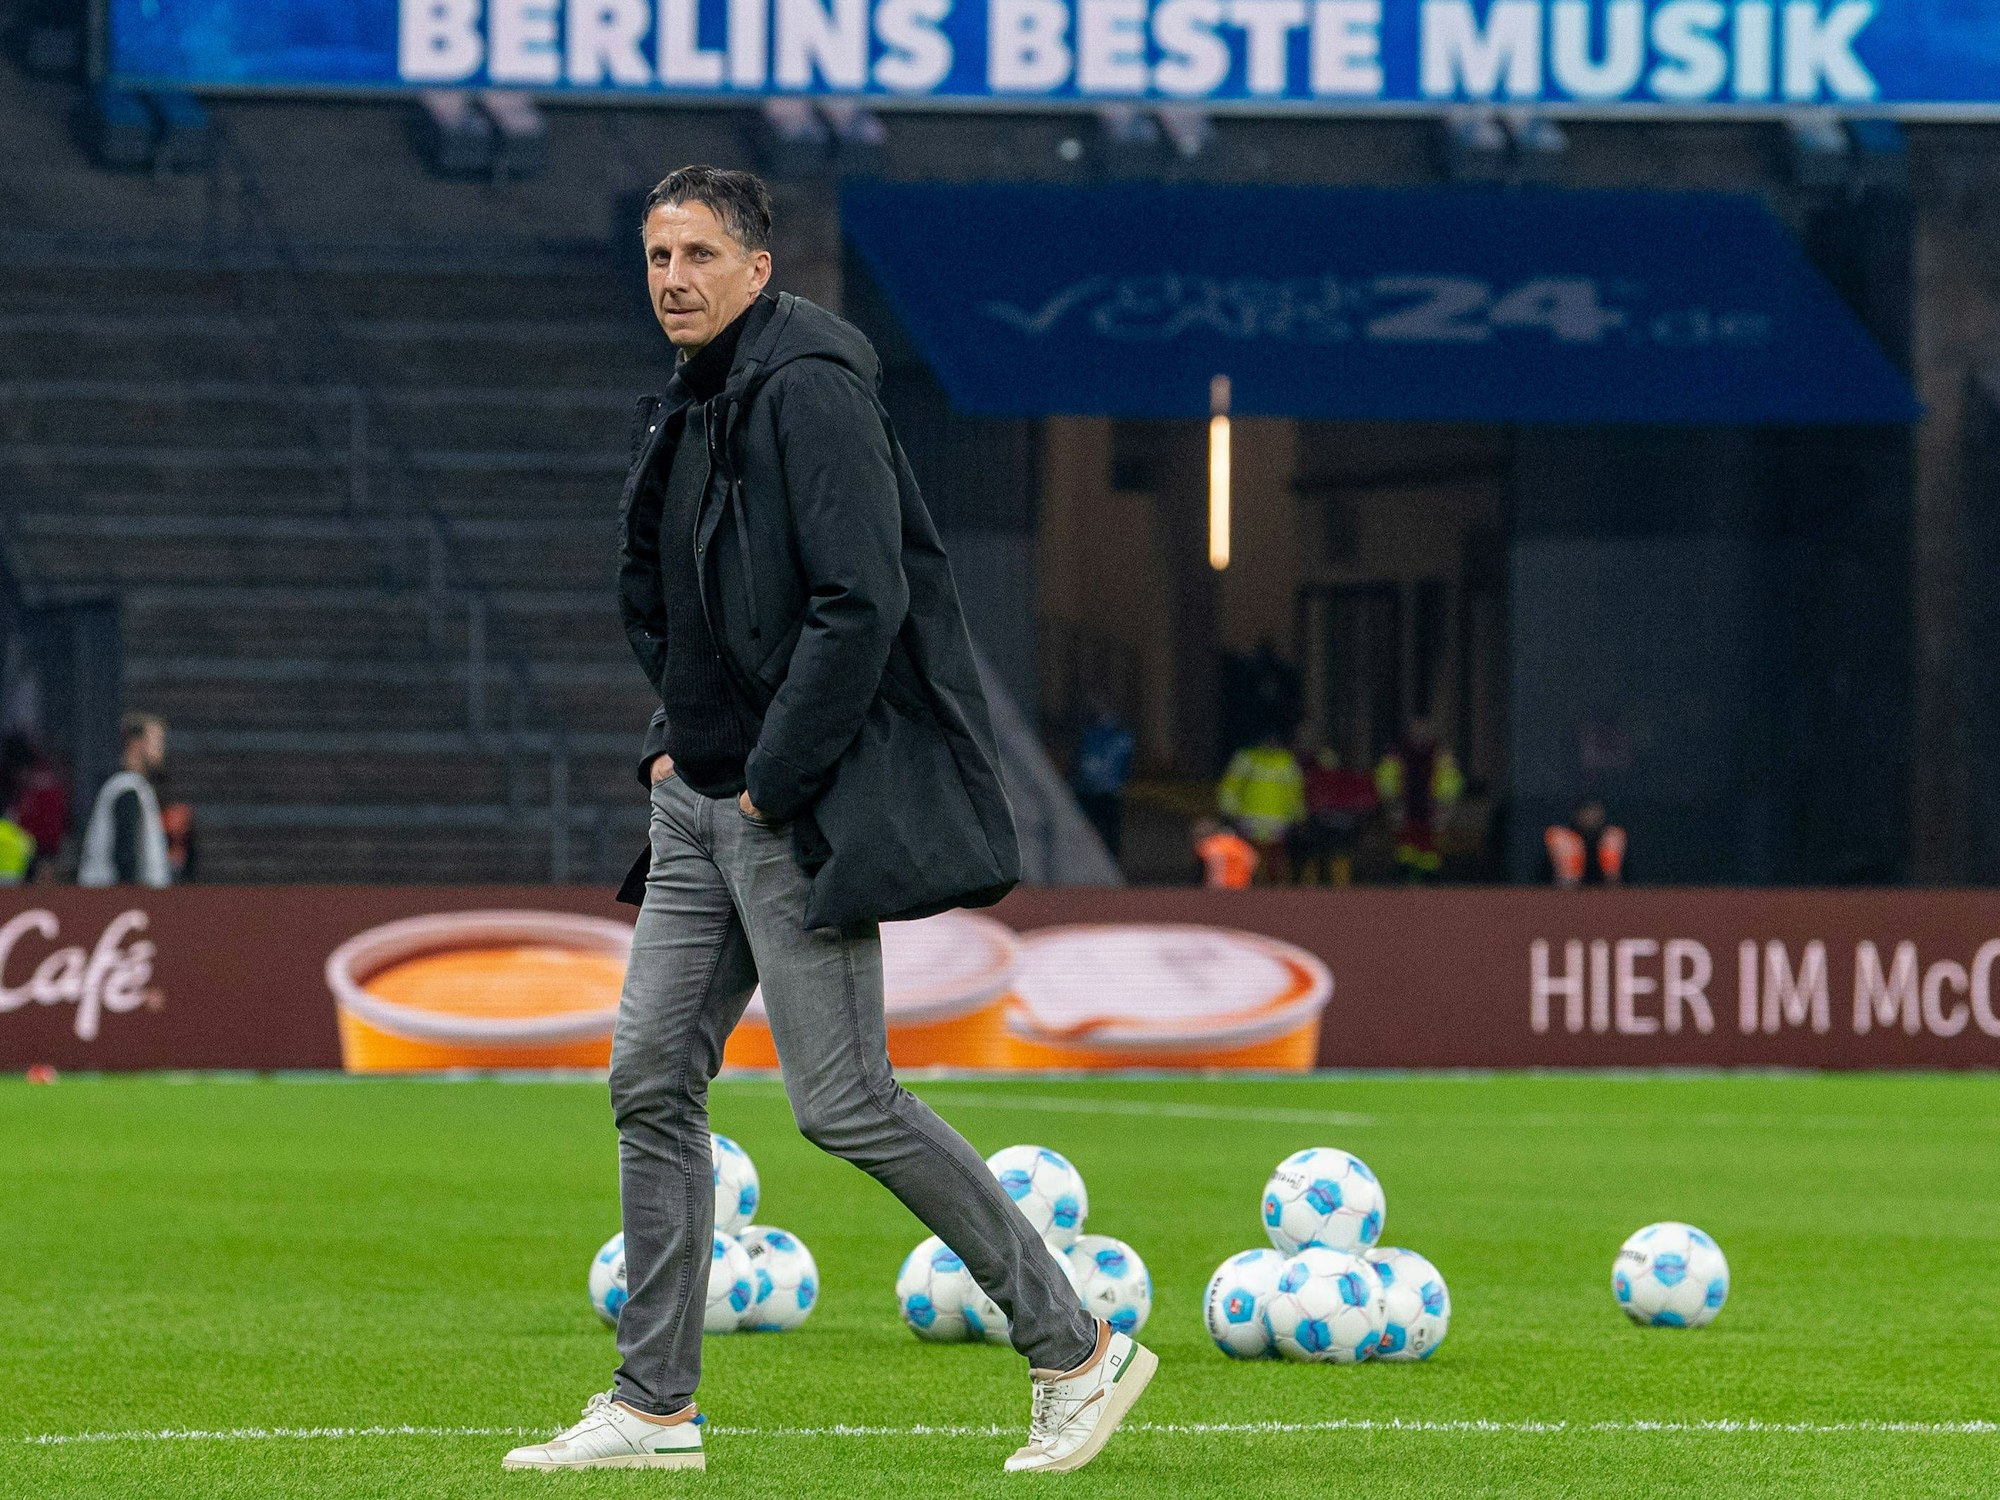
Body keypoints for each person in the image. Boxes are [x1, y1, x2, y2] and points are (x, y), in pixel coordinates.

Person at [504, 168, 1153, 1478]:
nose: (671, 277)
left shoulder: (809, 388)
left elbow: (862, 602)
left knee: (844, 1102)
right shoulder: (698, 398)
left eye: (697, 253)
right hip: (695, 804)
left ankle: (1077, 1351)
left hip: (778, 808)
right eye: (655, 255)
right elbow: (682, 603)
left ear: (757, 266)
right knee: (649, 1083)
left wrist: (771, 779)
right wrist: (670, 749)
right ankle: (653, 1408)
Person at [77, 712, 171, 887]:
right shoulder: (127, 788)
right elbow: (125, 854)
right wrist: (130, 900)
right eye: (156, 742)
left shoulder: (130, 787)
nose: (161, 750)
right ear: (136, 744)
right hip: (115, 899)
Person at [1374, 717, 1464, 884]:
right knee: (1405, 852)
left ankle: (1428, 884)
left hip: (1431, 809)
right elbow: (1386, 778)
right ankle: (1406, 886)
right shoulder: (1397, 752)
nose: (1421, 733)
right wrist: (1391, 803)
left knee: (1430, 854)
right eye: (1417, 729)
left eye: (1425, 729)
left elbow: (1450, 781)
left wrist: (1445, 807)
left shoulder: (1441, 754)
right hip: (1405, 808)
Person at [1217, 731, 1305, 883]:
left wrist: (1228, 811)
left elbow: (1230, 787)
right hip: (1270, 820)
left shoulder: (1249, 759)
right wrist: (1298, 815)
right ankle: (1269, 888)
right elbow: (1295, 792)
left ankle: (1262, 889)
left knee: (1261, 857)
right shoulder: (1283, 761)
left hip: (1253, 818)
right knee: (1268, 857)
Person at [1290, 744, 1380, 887]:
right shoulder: (1315, 778)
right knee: (1313, 858)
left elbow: (1367, 801)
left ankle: (1340, 890)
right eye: (1323, 758)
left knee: (1340, 859)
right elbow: (1309, 801)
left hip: (1342, 827)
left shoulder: (1349, 777)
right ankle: (1309, 891)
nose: (1327, 761)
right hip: (1320, 826)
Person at [1070, 698, 1135, 860]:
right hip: (1095, 791)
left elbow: (1119, 762)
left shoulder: (1116, 735)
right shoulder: (1092, 733)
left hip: (1104, 791)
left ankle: (1107, 862)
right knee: (1096, 831)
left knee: (1106, 831)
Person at [1, 733, 68, 878]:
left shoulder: (43, 786)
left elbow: (52, 828)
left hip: (43, 855)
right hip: (23, 860)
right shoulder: (18, 789)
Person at [1546, 799, 1628, 886]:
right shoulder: (1564, 838)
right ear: (1578, 815)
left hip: (1606, 892)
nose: (1591, 817)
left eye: (1594, 813)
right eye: (1587, 813)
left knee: (1612, 838)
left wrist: (1612, 876)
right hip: (1569, 891)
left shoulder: (1611, 837)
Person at [1193, 815, 1258, 888]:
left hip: (1225, 889)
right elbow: (1252, 860)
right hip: (1242, 887)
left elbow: (1217, 872)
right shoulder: (1237, 843)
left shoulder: (1211, 846)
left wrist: (1212, 892)